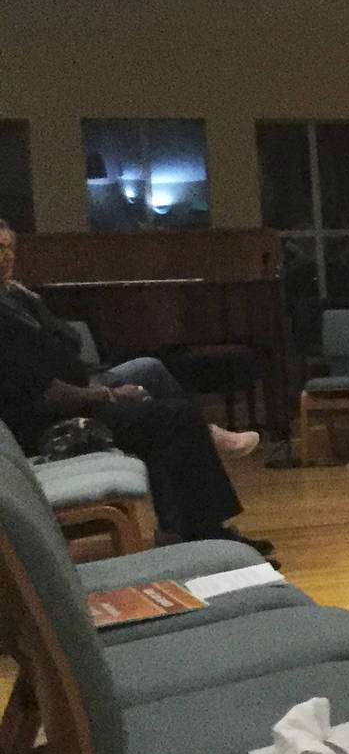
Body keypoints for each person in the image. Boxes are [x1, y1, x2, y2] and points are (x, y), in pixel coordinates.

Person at [0, 219, 265, 547]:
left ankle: (185, 528)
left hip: (69, 401)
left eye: (10, 248)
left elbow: (66, 341)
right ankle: (203, 531)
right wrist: (107, 395)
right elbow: (45, 391)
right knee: (178, 418)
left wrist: (31, 302)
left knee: (162, 406)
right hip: (49, 425)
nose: (6, 257)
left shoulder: (13, 298)